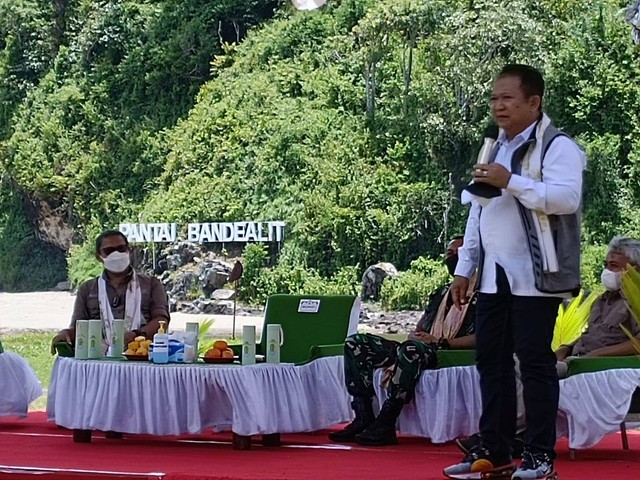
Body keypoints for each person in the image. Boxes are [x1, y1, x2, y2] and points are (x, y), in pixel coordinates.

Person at [443, 64, 586, 480]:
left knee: (535, 362)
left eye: (507, 98)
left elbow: (566, 199)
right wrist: (464, 268)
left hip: (536, 275)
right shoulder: (494, 146)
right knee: (491, 360)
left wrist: (513, 182)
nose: (498, 105)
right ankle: (495, 449)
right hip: (493, 274)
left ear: (533, 102)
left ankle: (540, 456)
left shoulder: (556, 146)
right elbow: (477, 209)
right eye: (494, 98)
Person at [329, 236, 477, 446]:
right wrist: (416, 336)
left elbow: (486, 337)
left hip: (448, 350)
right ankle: (363, 416)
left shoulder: (486, 293)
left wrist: (440, 342)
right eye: (449, 254)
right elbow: (421, 328)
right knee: (356, 343)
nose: (452, 258)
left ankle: (387, 420)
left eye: (459, 253)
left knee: (411, 350)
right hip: (422, 346)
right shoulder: (442, 292)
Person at [50, 230, 170, 356]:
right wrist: (65, 334)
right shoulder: (88, 289)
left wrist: (137, 335)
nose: (116, 254)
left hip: (142, 357)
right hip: (100, 361)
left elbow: (161, 320)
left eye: (121, 249)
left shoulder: (151, 285)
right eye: (109, 251)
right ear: (98, 256)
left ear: (129, 251)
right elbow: (79, 328)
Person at [556, 236, 640, 375]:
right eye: (605, 265)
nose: (607, 271)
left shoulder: (635, 301)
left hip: (607, 370)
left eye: (613, 266)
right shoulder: (602, 300)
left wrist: (594, 356)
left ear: (635, 269)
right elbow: (594, 333)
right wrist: (566, 347)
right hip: (578, 360)